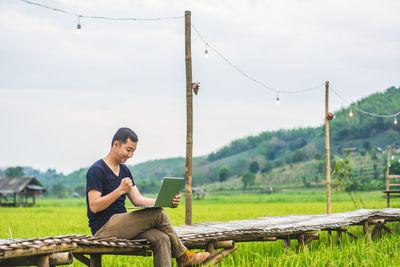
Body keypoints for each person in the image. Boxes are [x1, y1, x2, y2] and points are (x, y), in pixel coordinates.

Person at [86, 127, 210, 267]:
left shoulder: (124, 170)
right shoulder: (97, 170)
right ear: (116, 144)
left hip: (123, 226)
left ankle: (182, 257)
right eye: (128, 149)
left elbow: (138, 200)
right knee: (157, 213)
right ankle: (183, 256)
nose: (131, 155)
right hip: (103, 228)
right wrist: (119, 190)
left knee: (161, 238)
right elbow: (94, 206)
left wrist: (166, 201)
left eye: (133, 151)